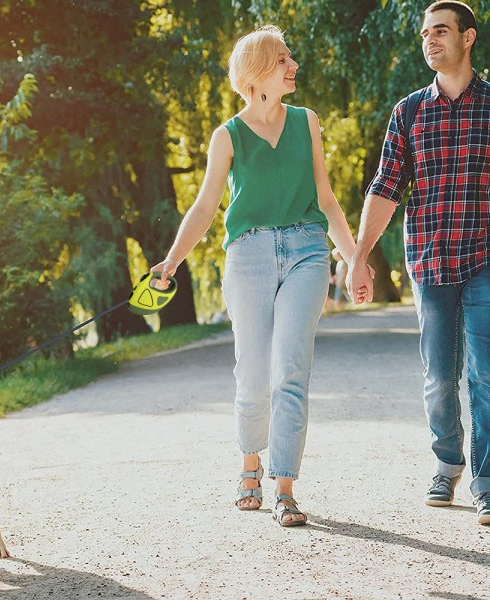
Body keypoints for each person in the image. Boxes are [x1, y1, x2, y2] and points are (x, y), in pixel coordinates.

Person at [151, 25, 372, 527]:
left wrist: (354, 256)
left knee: (291, 369)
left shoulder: (306, 122)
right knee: (253, 375)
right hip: (248, 254)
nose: (293, 66)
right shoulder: (226, 136)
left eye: (290, 58)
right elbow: (207, 205)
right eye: (281, 60)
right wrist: (172, 260)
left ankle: (285, 486)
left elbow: (326, 197)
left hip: (306, 251)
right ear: (255, 75)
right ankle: (249, 463)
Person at [347, 1, 490, 525]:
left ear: (468, 38)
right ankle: (446, 463)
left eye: (442, 31)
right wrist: (360, 257)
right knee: (438, 376)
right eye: (426, 33)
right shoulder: (408, 111)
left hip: (484, 256)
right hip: (429, 260)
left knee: (487, 373)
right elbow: (386, 186)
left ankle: (486, 479)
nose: (431, 40)